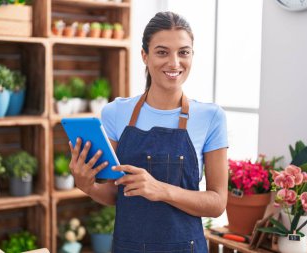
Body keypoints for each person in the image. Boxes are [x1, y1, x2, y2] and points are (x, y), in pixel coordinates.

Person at [69, 11, 228, 253]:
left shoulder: (211, 117)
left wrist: (161, 190)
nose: (174, 63)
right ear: (144, 55)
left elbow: (217, 203)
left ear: (192, 55)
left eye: (183, 52)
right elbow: (114, 193)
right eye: (162, 52)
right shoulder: (115, 112)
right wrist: (87, 185)